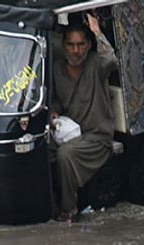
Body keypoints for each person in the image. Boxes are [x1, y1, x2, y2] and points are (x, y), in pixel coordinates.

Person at [51, 16, 118, 221]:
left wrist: (97, 32)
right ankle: (51, 203)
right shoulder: (57, 69)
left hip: (97, 137)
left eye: (81, 45)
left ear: (88, 45)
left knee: (65, 155)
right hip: (71, 133)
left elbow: (112, 61)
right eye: (70, 45)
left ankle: (69, 210)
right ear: (64, 45)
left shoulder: (96, 64)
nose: (76, 51)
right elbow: (57, 102)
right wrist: (53, 113)